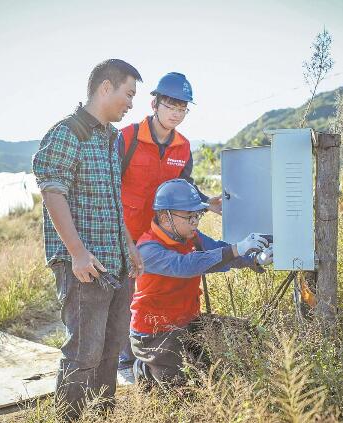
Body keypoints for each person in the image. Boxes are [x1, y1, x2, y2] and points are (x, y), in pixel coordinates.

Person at [32, 59, 144, 420]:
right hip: (85, 269)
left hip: (116, 264)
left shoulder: (112, 139)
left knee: (111, 350)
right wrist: (77, 254)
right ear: (105, 88)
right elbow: (52, 192)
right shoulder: (67, 133)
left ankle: (102, 416)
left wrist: (129, 246)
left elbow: (113, 201)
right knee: (83, 353)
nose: (131, 104)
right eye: (128, 94)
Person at [116, 72, 221, 373]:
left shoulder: (183, 147)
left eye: (182, 108)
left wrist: (206, 203)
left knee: (153, 293)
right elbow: (109, 186)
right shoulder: (128, 138)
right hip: (124, 233)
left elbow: (184, 185)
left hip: (161, 236)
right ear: (154, 103)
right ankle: (126, 361)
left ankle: (146, 360)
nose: (176, 113)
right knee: (124, 295)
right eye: (171, 105)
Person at [129, 179, 273, 386]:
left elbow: (219, 251)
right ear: (164, 217)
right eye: (189, 216)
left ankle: (168, 364)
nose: (195, 221)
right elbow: (187, 266)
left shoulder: (191, 236)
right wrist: (236, 249)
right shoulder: (148, 250)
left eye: (198, 215)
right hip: (154, 333)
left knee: (250, 336)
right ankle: (146, 369)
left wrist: (253, 258)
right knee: (184, 389)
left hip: (187, 322)